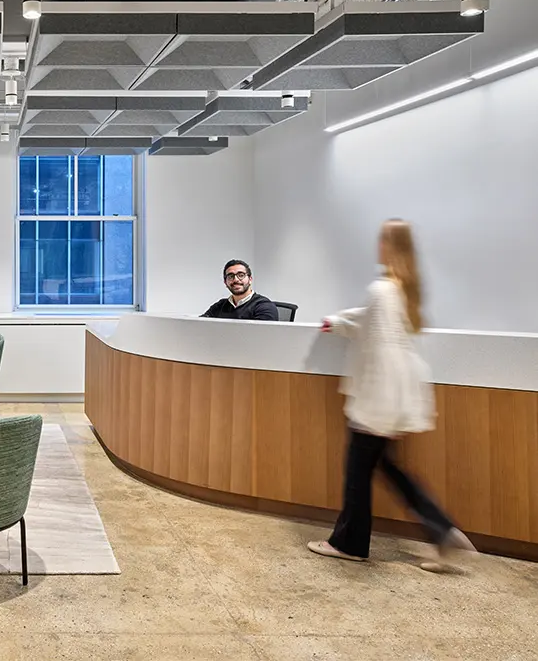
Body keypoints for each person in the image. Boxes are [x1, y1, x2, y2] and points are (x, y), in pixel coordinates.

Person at [308, 219, 475, 572]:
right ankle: (442, 529)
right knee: (388, 468)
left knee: (357, 473)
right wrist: (337, 322)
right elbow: (370, 324)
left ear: (392, 246)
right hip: (395, 400)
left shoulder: (382, 290)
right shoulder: (402, 291)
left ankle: (349, 543)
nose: (378, 244)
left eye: (383, 239)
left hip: (377, 402)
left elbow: (377, 347)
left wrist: (377, 410)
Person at [201, 259, 279, 321]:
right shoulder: (220, 306)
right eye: (230, 276)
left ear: (250, 279)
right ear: (225, 282)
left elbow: (261, 335)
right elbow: (199, 325)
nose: (236, 279)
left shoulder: (264, 306)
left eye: (241, 275)